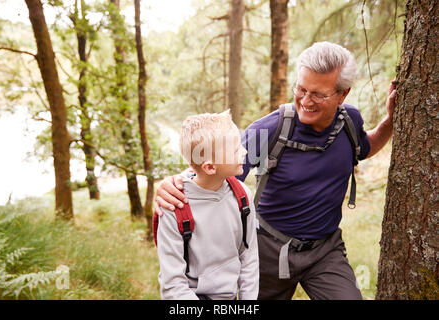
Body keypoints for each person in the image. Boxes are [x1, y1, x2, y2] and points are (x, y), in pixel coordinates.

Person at [155, 42, 396, 300]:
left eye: (317, 94)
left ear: (342, 94)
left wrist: (391, 120)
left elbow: (365, 146)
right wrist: (174, 185)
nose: (305, 100)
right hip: (268, 250)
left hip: (326, 251)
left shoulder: (349, 122)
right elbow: (213, 170)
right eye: (301, 89)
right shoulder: (272, 130)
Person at [156, 110, 259, 300]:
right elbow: (172, 285)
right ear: (210, 167)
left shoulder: (242, 195)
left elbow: (249, 256)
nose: (245, 151)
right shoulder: (173, 206)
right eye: (236, 149)